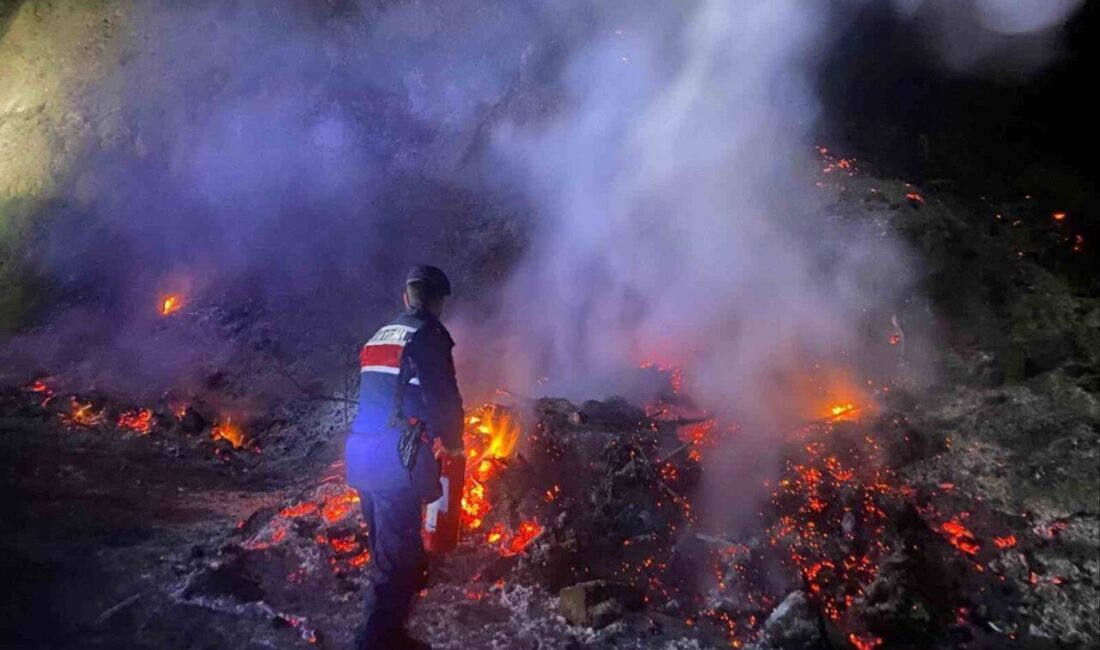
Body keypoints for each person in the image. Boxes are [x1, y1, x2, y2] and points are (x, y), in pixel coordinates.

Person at [345, 265, 464, 649]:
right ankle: (375, 641)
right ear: (437, 302)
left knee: (388, 553)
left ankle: (389, 633)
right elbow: (443, 398)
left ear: (405, 297)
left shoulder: (380, 336)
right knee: (398, 562)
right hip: (394, 459)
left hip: (362, 454)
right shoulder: (428, 334)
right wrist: (454, 442)